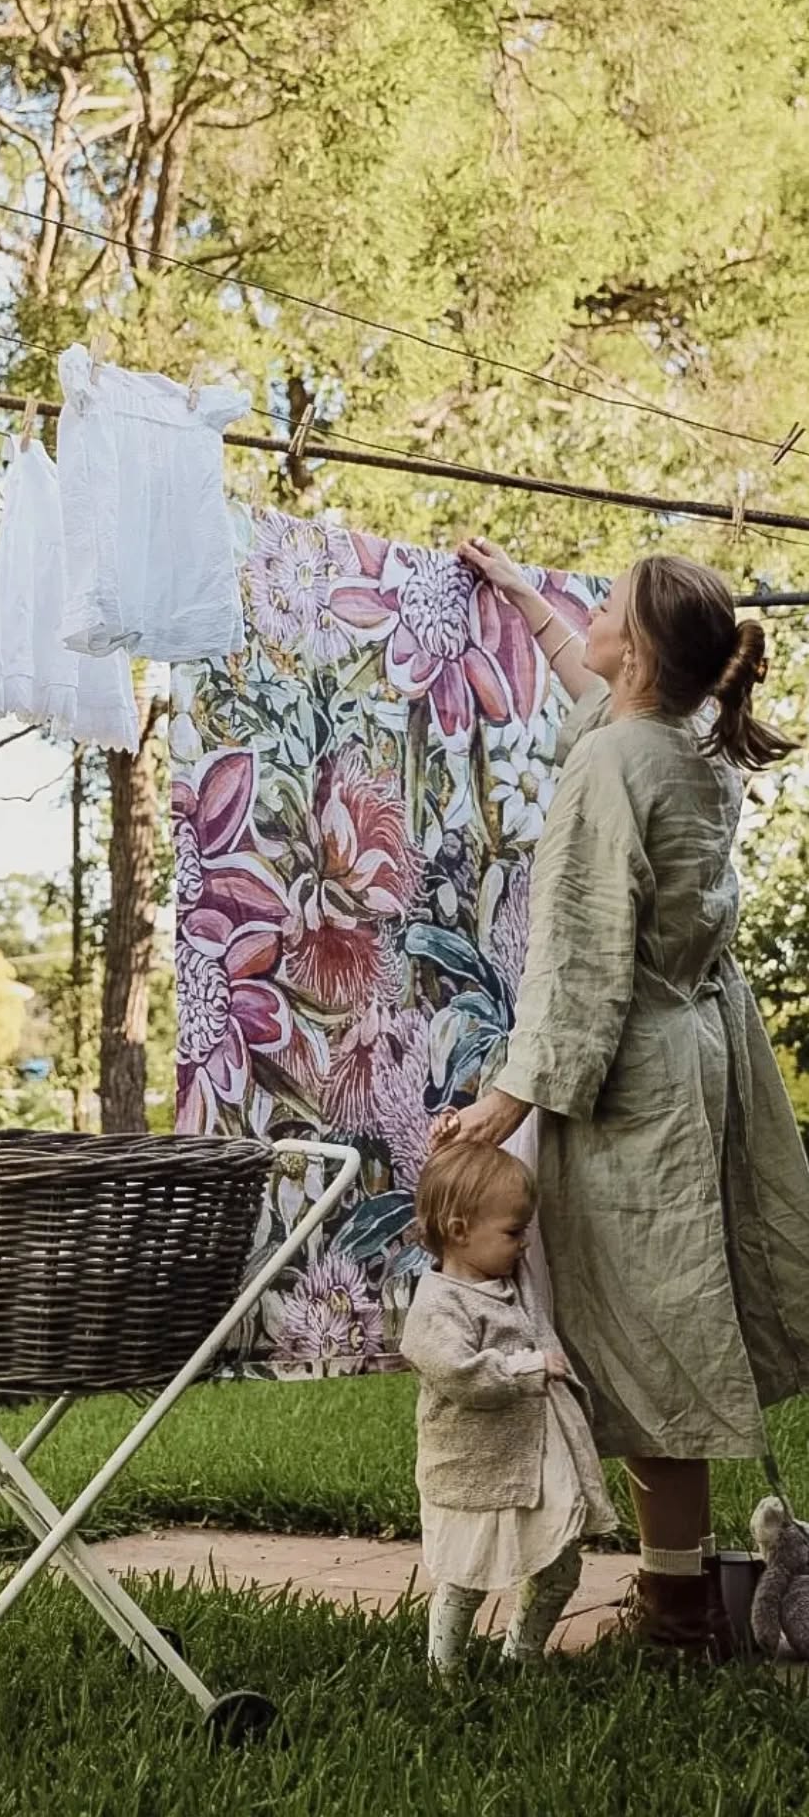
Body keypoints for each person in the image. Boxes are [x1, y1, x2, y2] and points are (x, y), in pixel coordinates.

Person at [432, 541, 809, 1657]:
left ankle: (675, 1610)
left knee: (647, 1334)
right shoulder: (689, 745)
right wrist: (519, 593)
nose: (583, 615)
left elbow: (581, 950)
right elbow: (597, 692)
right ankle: (676, 1591)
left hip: (628, 1076)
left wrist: (510, 1098)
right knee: (670, 1320)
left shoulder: (611, 764)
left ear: (635, 651)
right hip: (693, 1059)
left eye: (600, 605)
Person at [402, 1141, 617, 1674]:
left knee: (560, 1567)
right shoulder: (436, 1306)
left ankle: (523, 1654)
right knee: (466, 1576)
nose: (525, 1244)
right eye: (514, 1232)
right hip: (476, 1470)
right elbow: (461, 1374)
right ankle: (444, 1670)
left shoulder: (508, 1279)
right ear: (458, 1231)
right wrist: (527, 1369)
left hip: (534, 1464)